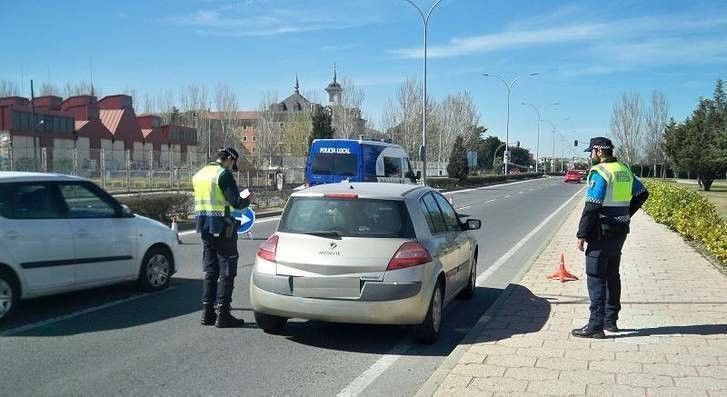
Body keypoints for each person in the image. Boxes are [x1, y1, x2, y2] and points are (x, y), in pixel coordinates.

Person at [572, 137, 649, 339]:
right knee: (612, 275)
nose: (590, 155)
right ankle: (611, 320)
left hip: (602, 231)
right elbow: (642, 193)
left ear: (598, 151)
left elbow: (592, 205)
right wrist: (625, 214)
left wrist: (582, 234)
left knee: (596, 276)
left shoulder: (601, 172)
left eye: (591, 151)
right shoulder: (624, 169)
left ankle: (595, 326)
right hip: (620, 230)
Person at [193, 147, 255, 328]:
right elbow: (236, 202)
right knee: (227, 270)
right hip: (223, 227)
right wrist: (248, 199)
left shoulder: (200, 174)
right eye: (232, 164)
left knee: (210, 270)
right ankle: (223, 314)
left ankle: (207, 313)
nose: (231, 167)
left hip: (205, 227)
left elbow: (210, 199)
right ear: (229, 158)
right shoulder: (223, 175)